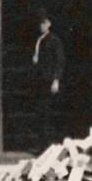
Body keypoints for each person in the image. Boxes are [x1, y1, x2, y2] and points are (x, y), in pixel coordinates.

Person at [31, 13, 64, 148]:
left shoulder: (54, 40)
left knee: (48, 112)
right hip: (40, 81)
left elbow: (60, 61)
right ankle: (42, 144)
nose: (41, 26)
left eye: (44, 23)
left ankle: (49, 144)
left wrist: (56, 80)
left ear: (49, 24)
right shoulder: (39, 39)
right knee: (41, 112)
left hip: (49, 81)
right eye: (40, 23)